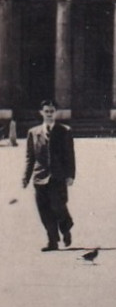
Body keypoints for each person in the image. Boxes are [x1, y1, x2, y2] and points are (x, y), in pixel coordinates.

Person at [22, 99, 76, 252]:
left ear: (56, 113)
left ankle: (66, 229)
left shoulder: (65, 131)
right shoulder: (33, 133)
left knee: (59, 207)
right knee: (44, 210)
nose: (49, 114)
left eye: (52, 111)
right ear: (41, 113)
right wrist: (26, 177)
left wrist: (70, 175)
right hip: (39, 178)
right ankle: (52, 241)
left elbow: (70, 156)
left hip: (57, 177)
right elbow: (30, 157)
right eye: (46, 111)